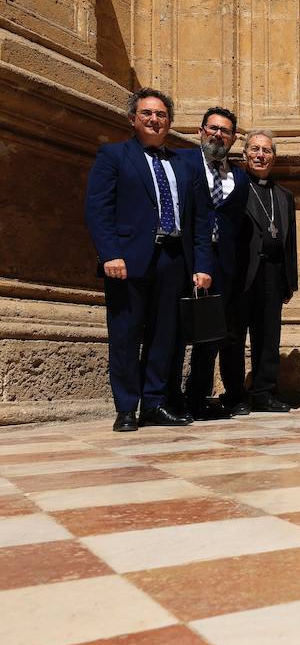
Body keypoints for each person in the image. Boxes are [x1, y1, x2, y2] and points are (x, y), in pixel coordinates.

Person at [83, 88, 213, 431]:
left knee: (165, 335)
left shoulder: (184, 164)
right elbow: (99, 209)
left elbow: (201, 219)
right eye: (147, 114)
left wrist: (202, 264)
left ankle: (154, 402)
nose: (155, 120)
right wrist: (110, 252)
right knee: (125, 333)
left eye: (161, 115)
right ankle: (126, 407)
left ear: (169, 122)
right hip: (128, 260)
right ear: (133, 119)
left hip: (174, 259)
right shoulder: (113, 155)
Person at [176, 107, 248, 420]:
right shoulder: (183, 163)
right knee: (175, 330)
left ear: (233, 139)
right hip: (187, 258)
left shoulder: (239, 177)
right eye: (213, 128)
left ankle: (198, 396)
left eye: (226, 131)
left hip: (224, 265)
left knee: (212, 334)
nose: (218, 135)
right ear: (201, 130)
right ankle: (165, 395)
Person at [228, 129, 296, 412]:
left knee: (269, 336)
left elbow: (289, 240)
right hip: (241, 272)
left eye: (266, 150)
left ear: (274, 157)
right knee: (234, 336)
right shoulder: (234, 186)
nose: (260, 155)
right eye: (254, 149)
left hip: (273, 273)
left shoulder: (283, 195)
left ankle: (264, 392)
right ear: (244, 155)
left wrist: (289, 281)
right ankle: (234, 393)